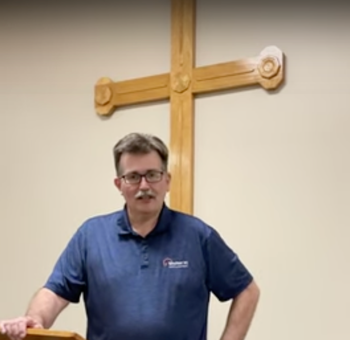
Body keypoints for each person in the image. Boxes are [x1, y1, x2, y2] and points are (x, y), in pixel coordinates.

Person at [0, 132, 260, 340]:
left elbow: (247, 290)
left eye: (153, 175)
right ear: (119, 185)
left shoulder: (198, 236)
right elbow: (55, 292)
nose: (144, 186)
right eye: (133, 177)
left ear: (167, 180)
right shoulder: (91, 235)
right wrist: (36, 321)